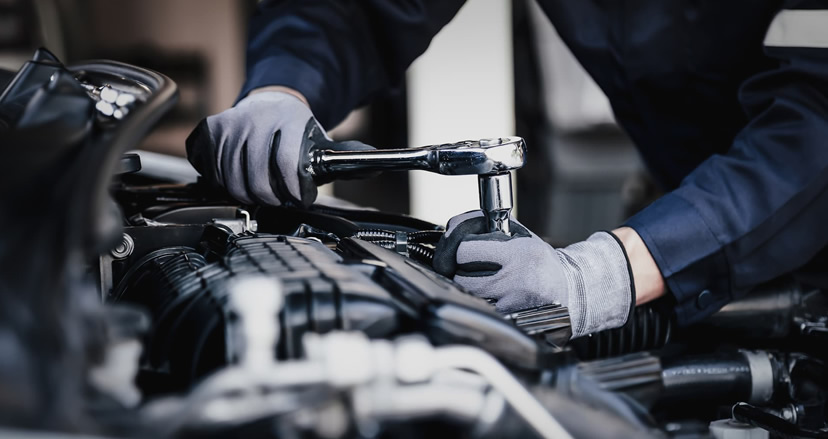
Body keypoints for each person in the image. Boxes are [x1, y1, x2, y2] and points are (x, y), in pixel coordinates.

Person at [186, 1, 828, 339]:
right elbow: (358, 8)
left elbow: (819, 119)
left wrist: (611, 273)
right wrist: (285, 88)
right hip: (699, 228)